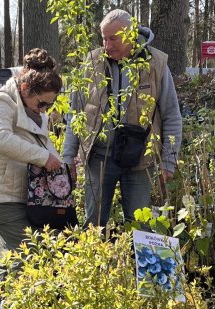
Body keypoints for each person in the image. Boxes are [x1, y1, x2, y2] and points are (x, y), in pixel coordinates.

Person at [61, 9, 182, 227]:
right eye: (104, 38)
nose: (107, 45)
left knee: (139, 224)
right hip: (99, 158)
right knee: (93, 224)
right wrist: (68, 157)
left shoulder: (156, 64)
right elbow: (75, 113)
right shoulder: (91, 63)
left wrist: (168, 161)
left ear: (130, 34)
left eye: (113, 39)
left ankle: (137, 251)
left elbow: (172, 115)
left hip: (140, 160)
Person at [0, 48, 63, 284]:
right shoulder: (2, 101)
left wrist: (61, 167)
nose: (44, 110)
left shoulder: (32, 106)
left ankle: (4, 303)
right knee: (30, 250)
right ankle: (20, 303)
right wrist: (44, 158)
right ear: (24, 88)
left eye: (48, 105)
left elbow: (43, 141)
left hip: (18, 192)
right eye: (41, 103)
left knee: (11, 256)